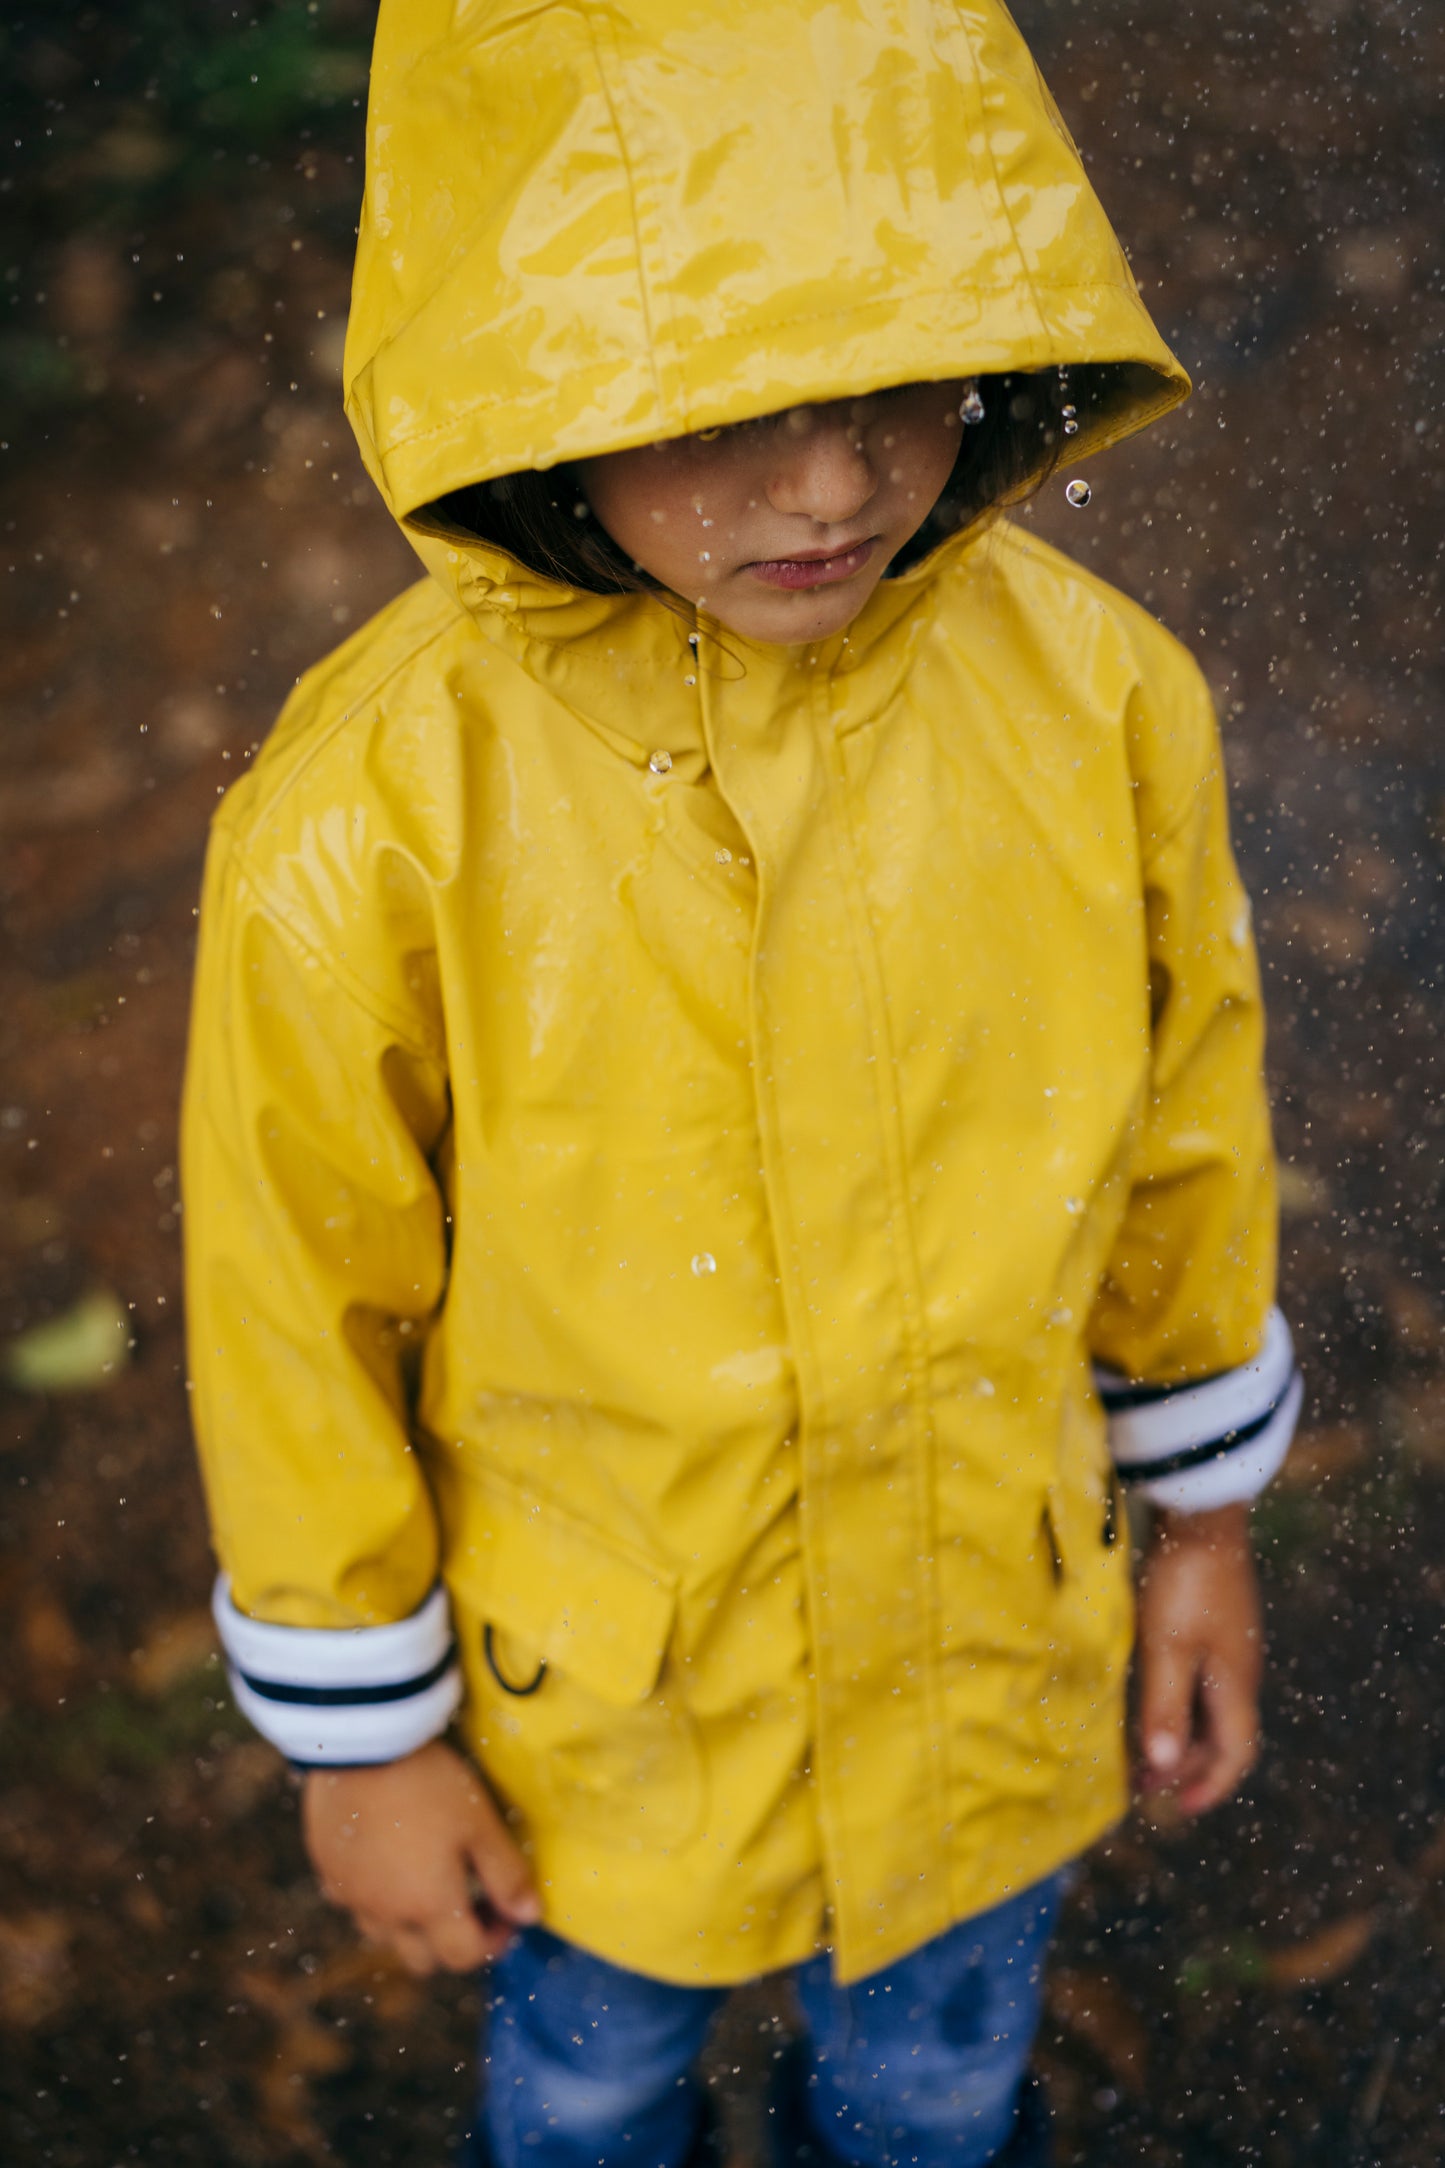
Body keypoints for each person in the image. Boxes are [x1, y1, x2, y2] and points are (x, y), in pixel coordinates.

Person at [181, 2, 1303, 2162]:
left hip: (992, 1659)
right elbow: (292, 1299)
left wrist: (1205, 1524)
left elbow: (1188, 1127)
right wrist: (362, 1739)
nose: (830, 480)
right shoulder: (373, 816)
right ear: (530, 380)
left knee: (940, 2078)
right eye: (723, 406)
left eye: (893, 377)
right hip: (605, 1727)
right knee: (591, 2080)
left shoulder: (1098, 700)